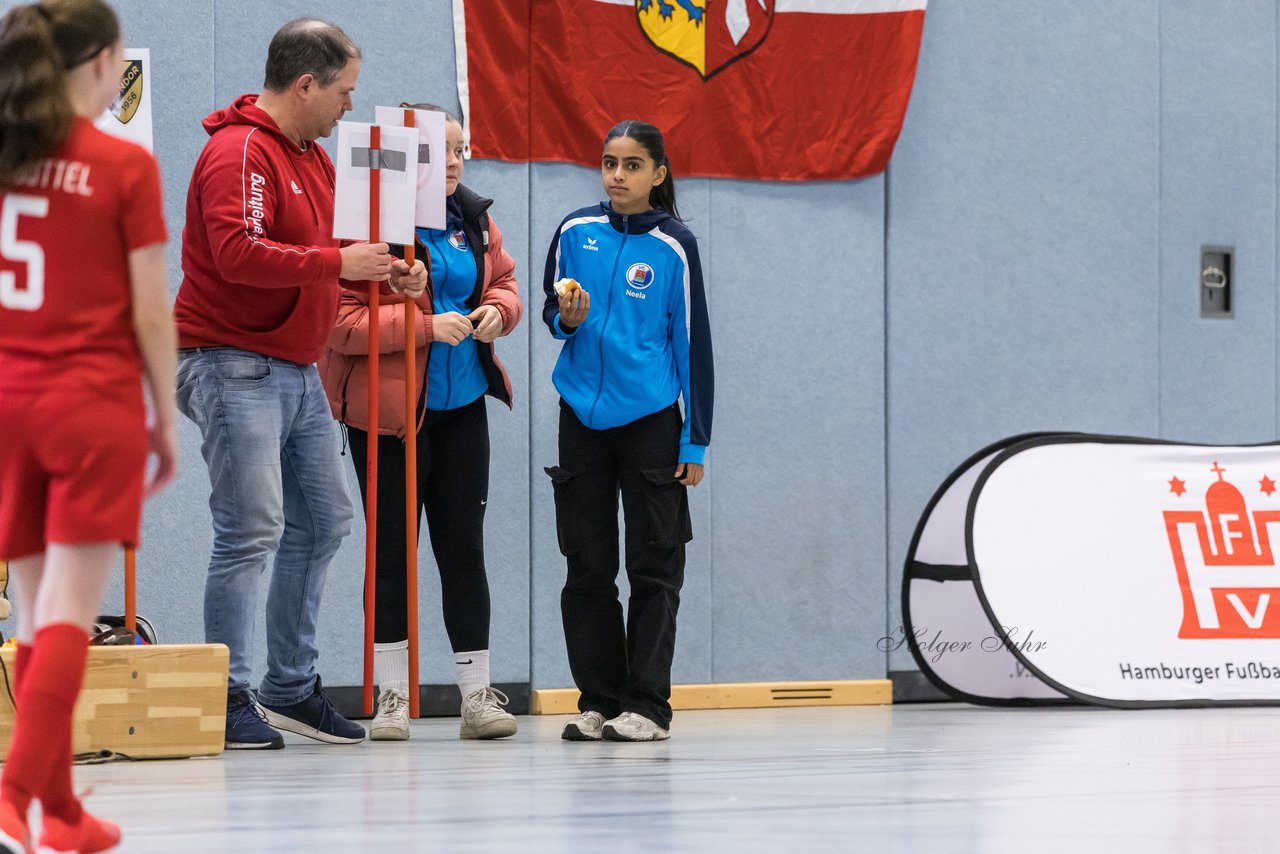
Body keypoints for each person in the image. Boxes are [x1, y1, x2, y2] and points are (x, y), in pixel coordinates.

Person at [173, 18, 427, 749]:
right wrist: (336, 266)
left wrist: (386, 266)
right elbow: (236, 252)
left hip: (294, 364)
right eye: (344, 91)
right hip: (232, 361)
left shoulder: (309, 157)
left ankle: (289, 688)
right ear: (307, 84)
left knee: (323, 520)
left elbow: (334, 244)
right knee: (249, 530)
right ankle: (228, 698)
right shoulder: (239, 151)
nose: (351, 105)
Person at [0, 1, 177, 850]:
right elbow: (150, 311)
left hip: (9, 401)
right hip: (89, 403)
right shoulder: (119, 163)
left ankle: (62, 809)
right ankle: (12, 796)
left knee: (35, 613)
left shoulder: (6, 157)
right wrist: (163, 417)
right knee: (72, 610)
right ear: (106, 63)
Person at [321, 104, 522, 741]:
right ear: (406, 158)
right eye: (442, 150)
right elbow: (339, 327)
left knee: (464, 550)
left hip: (462, 411)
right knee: (390, 557)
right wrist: (423, 327)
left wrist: (498, 311)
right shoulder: (367, 231)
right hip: (389, 422)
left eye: (463, 149)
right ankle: (388, 698)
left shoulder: (474, 217)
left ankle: (476, 697)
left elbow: (507, 282)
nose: (457, 161)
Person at [542, 120, 714, 742]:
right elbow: (551, 311)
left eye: (633, 165)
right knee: (586, 567)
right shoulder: (572, 229)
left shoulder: (675, 245)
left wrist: (694, 439)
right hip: (581, 421)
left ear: (658, 173)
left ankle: (648, 705)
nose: (617, 175)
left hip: (651, 425)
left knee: (653, 567)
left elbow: (692, 344)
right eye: (610, 163)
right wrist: (564, 320)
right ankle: (600, 698)